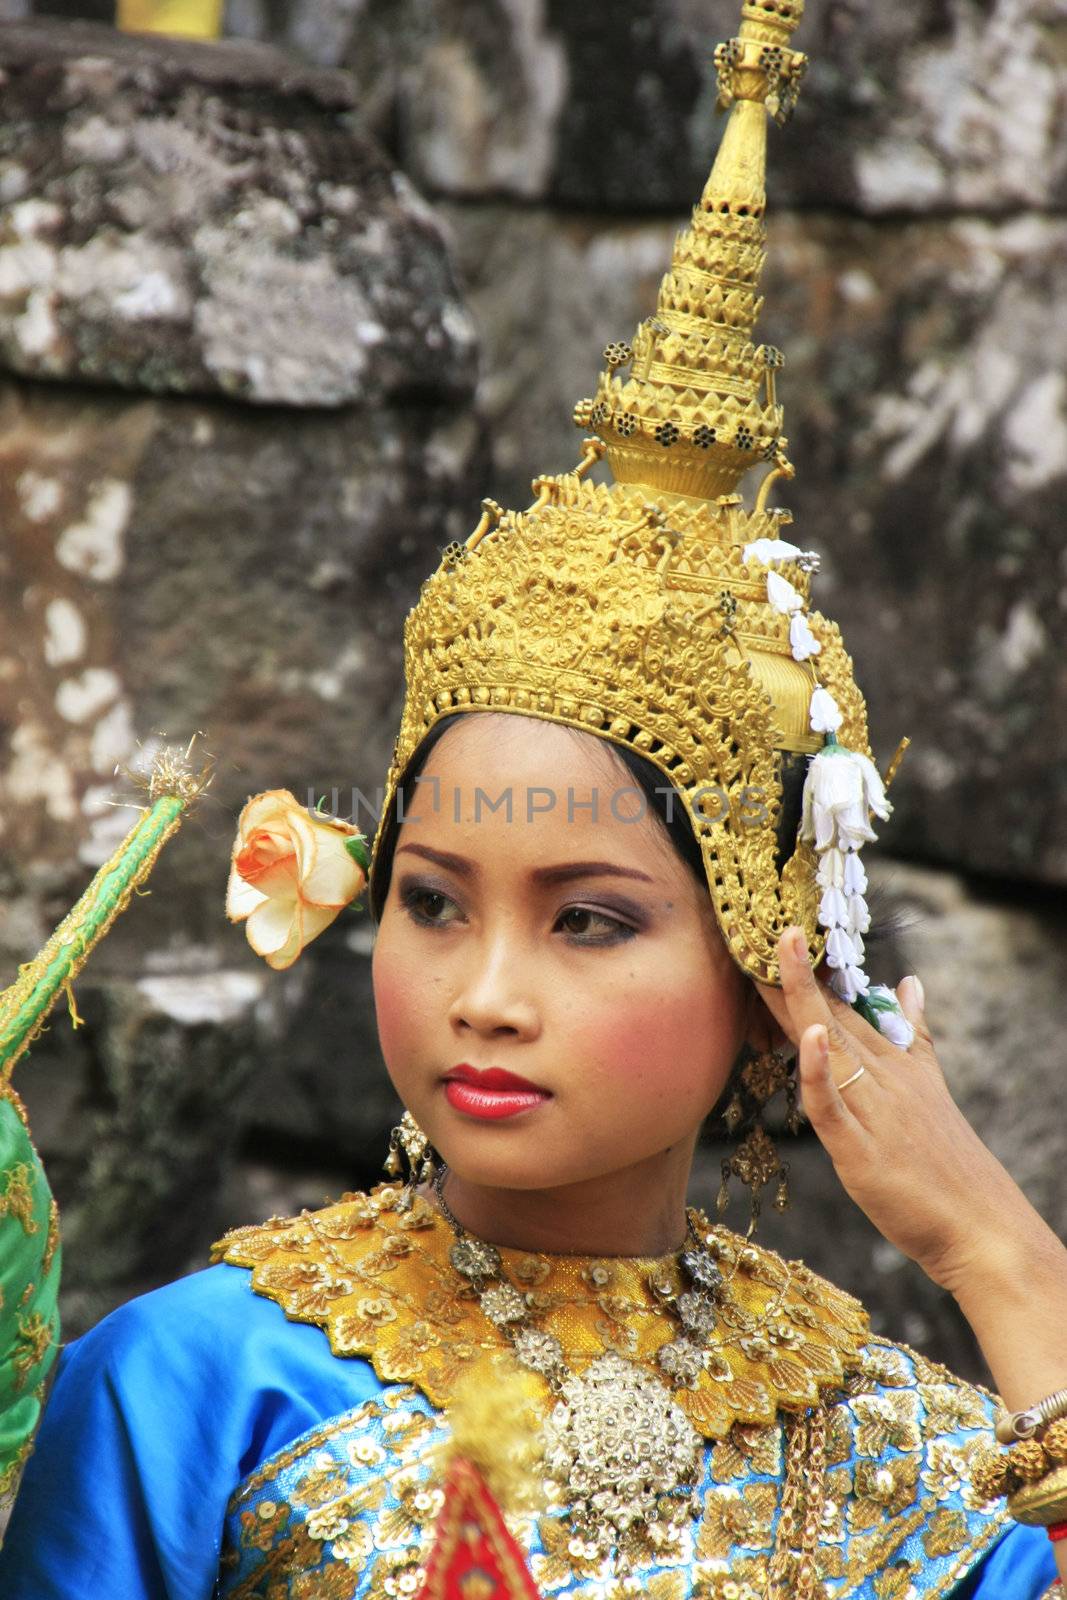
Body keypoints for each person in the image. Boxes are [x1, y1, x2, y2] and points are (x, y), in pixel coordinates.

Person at [2, 2, 1065, 1596]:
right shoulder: (200, 1386)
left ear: (766, 967)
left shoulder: (900, 1449)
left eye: (589, 920)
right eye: (432, 902)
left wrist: (1002, 1253)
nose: (483, 995)